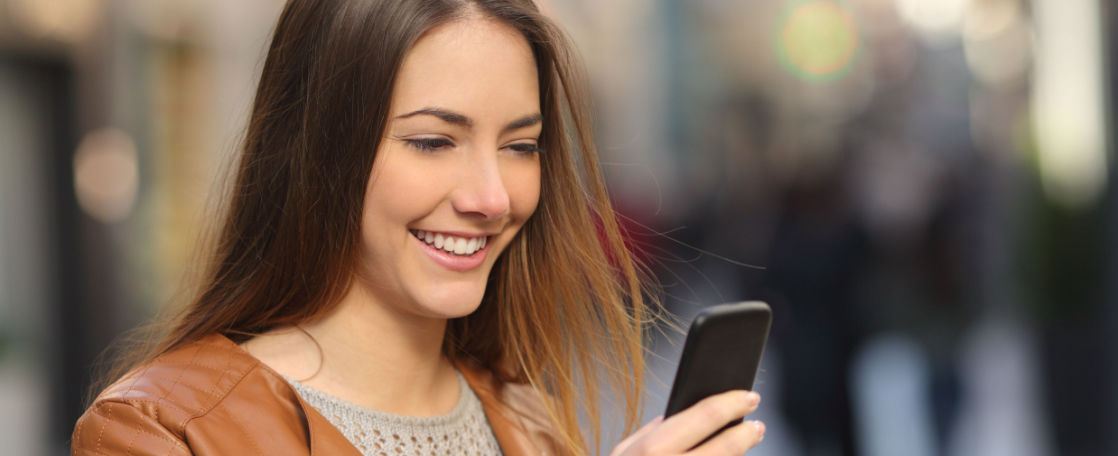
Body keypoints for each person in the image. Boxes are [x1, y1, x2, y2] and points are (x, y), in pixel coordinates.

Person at [70, 0, 766, 454]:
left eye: (522, 146)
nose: (492, 196)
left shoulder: (527, 421)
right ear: (318, 150)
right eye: (433, 142)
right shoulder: (164, 432)